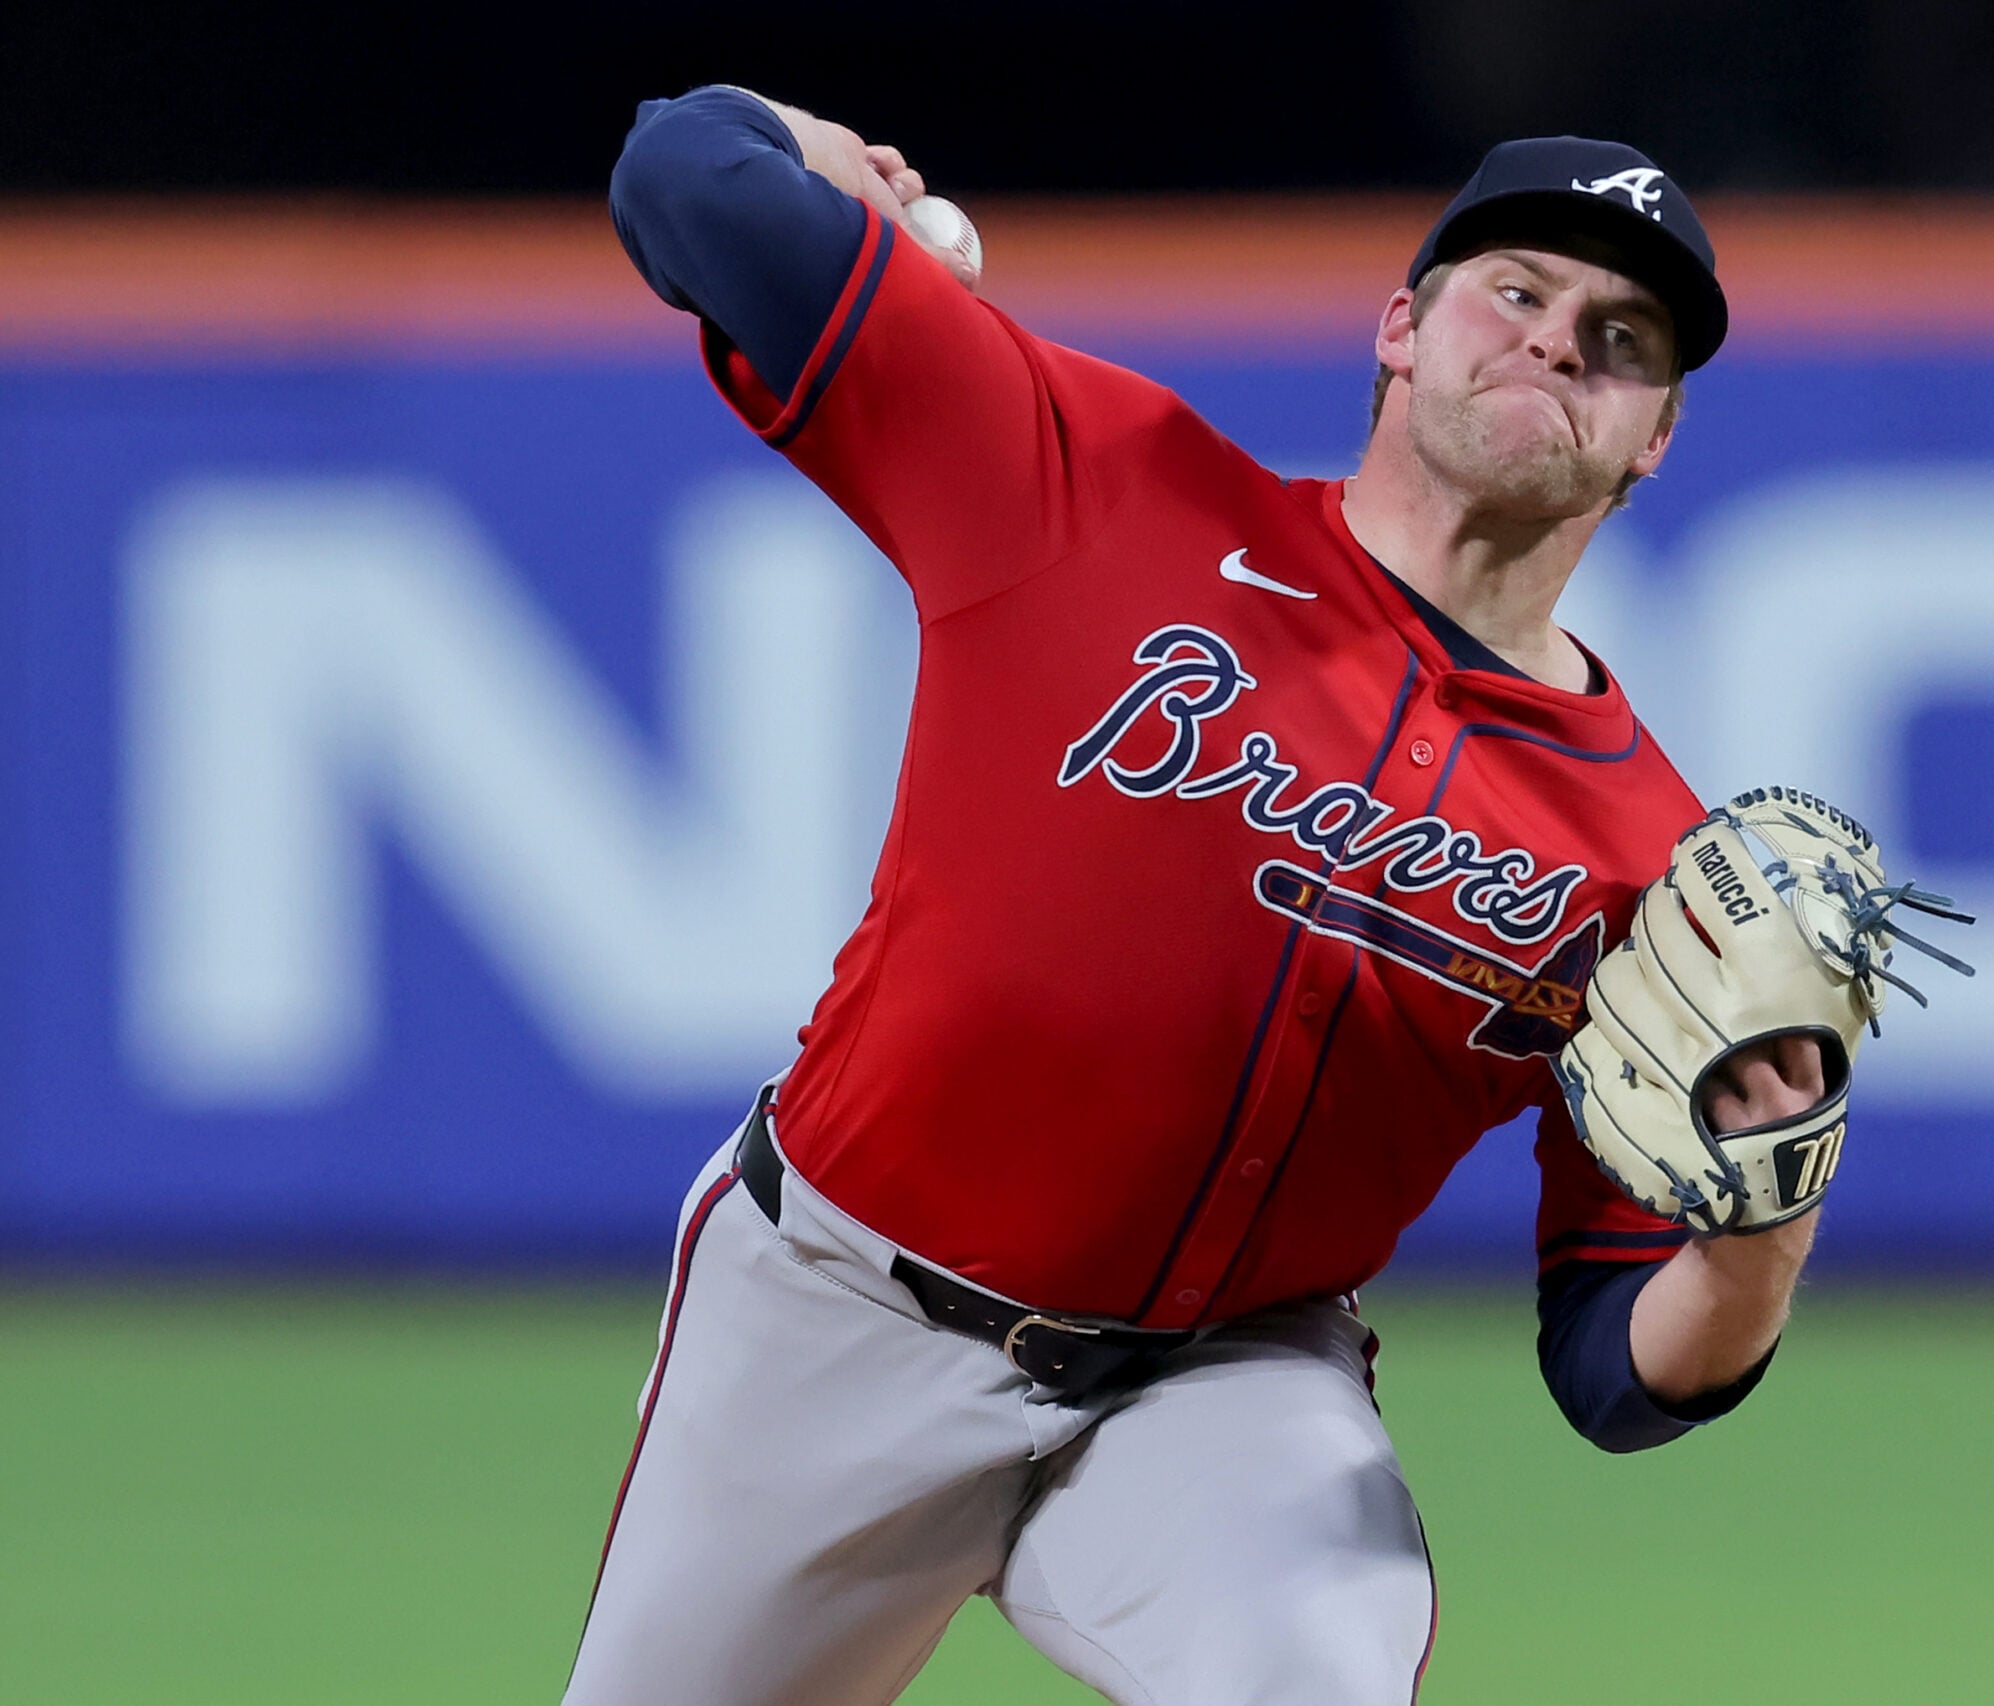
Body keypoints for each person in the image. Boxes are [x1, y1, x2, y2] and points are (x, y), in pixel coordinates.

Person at [571, 84, 1827, 1705]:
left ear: (1654, 438)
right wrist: (821, 154)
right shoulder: (1101, 484)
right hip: (836, 1309)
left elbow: (1614, 1367)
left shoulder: (1649, 863)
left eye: (1627, 335)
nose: (1562, 339)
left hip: (1223, 1389)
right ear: (1401, 328)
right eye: (1516, 290)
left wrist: (1763, 1238)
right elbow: (682, 177)